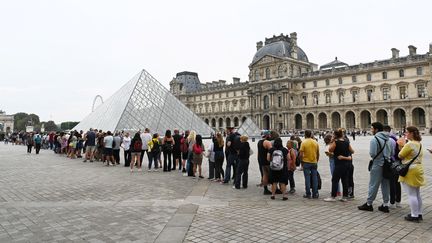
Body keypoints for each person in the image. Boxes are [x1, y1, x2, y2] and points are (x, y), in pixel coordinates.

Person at [358, 122, 391, 212]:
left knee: (373, 184)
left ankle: (369, 204)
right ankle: (385, 205)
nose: (371, 130)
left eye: (372, 128)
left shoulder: (374, 139)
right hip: (387, 165)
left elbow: (372, 154)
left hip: (377, 164)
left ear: (376, 129)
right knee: (385, 185)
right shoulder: (388, 139)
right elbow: (390, 152)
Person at [397, 126, 425, 222]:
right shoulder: (419, 144)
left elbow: (400, 155)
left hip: (410, 170)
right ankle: (419, 213)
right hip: (418, 168)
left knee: (411, 194)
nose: (405, 134)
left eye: (407, 132)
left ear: (412, 133)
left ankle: (414, 215)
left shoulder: (409, 144)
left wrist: (401, 145)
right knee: (417, 193)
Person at [324, 129, 355, 202]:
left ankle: (333, 196)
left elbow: (330, 150)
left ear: (335, 135)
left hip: (339, 164)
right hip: (346, 164)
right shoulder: (347, 142)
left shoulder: (335, 142)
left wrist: (332, 141)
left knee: (335, 180)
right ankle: (345, 196)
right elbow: (352, 151)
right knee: (344, 180)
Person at [299, 130, 320, 199]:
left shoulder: (303, 142)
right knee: (315, 178)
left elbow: (301, 154)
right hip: (314, 162)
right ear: (311, 134)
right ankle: (315, 193)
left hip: (306, 162)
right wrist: (316, 161)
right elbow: (318, 154)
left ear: (305, 134)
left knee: (307, 178)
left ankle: (308, 193)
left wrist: (301, 162)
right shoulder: (315, 142)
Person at [384, 125, 401, 208]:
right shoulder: (395, 138)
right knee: (397, 182)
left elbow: (389, 153)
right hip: (397, 162)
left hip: (391, 163)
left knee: (391, 183)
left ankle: (392, 202)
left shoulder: (389, 140)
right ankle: (398, 201)